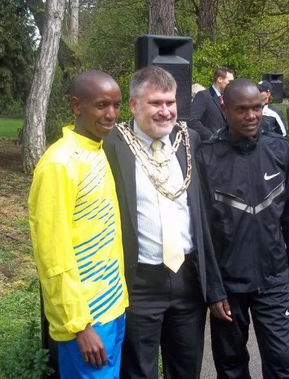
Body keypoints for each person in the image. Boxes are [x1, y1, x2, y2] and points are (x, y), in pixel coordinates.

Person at [103, 66, 229, 379]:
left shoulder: (191, 141)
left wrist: (212, 285)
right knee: (139, 371)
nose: (165, 111)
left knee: (186, 369)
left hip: (188, 279)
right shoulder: (113, 147)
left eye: (170, 103)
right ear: (133, 105)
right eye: (155, 103)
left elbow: (206, 214)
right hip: (139, 282)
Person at [197, 78, 289, 379]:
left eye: (257, 108)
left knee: (282, 363)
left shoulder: (281, 151)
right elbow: (203, 231)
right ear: (224, 108)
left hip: (274, 280)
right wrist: (214, 290)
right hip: (229, 287)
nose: (251, 116)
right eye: (242, 109)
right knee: (230, 368)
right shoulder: (206, 156)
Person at [28, 70, 128, 379]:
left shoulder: (97, 152)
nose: (111, 114)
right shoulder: (58, 164)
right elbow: (52, 255)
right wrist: (79, 325)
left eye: (116, 105)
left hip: (112, 309)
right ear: (76, 106)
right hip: (85, 320)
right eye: (101, 105)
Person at [187, 66, 234, 140]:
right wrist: (212, 137)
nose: (232, 85)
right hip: (209, 146)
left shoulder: (227, 98)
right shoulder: (204, 96)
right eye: (230, 81)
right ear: (220, 79)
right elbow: (192, 121)